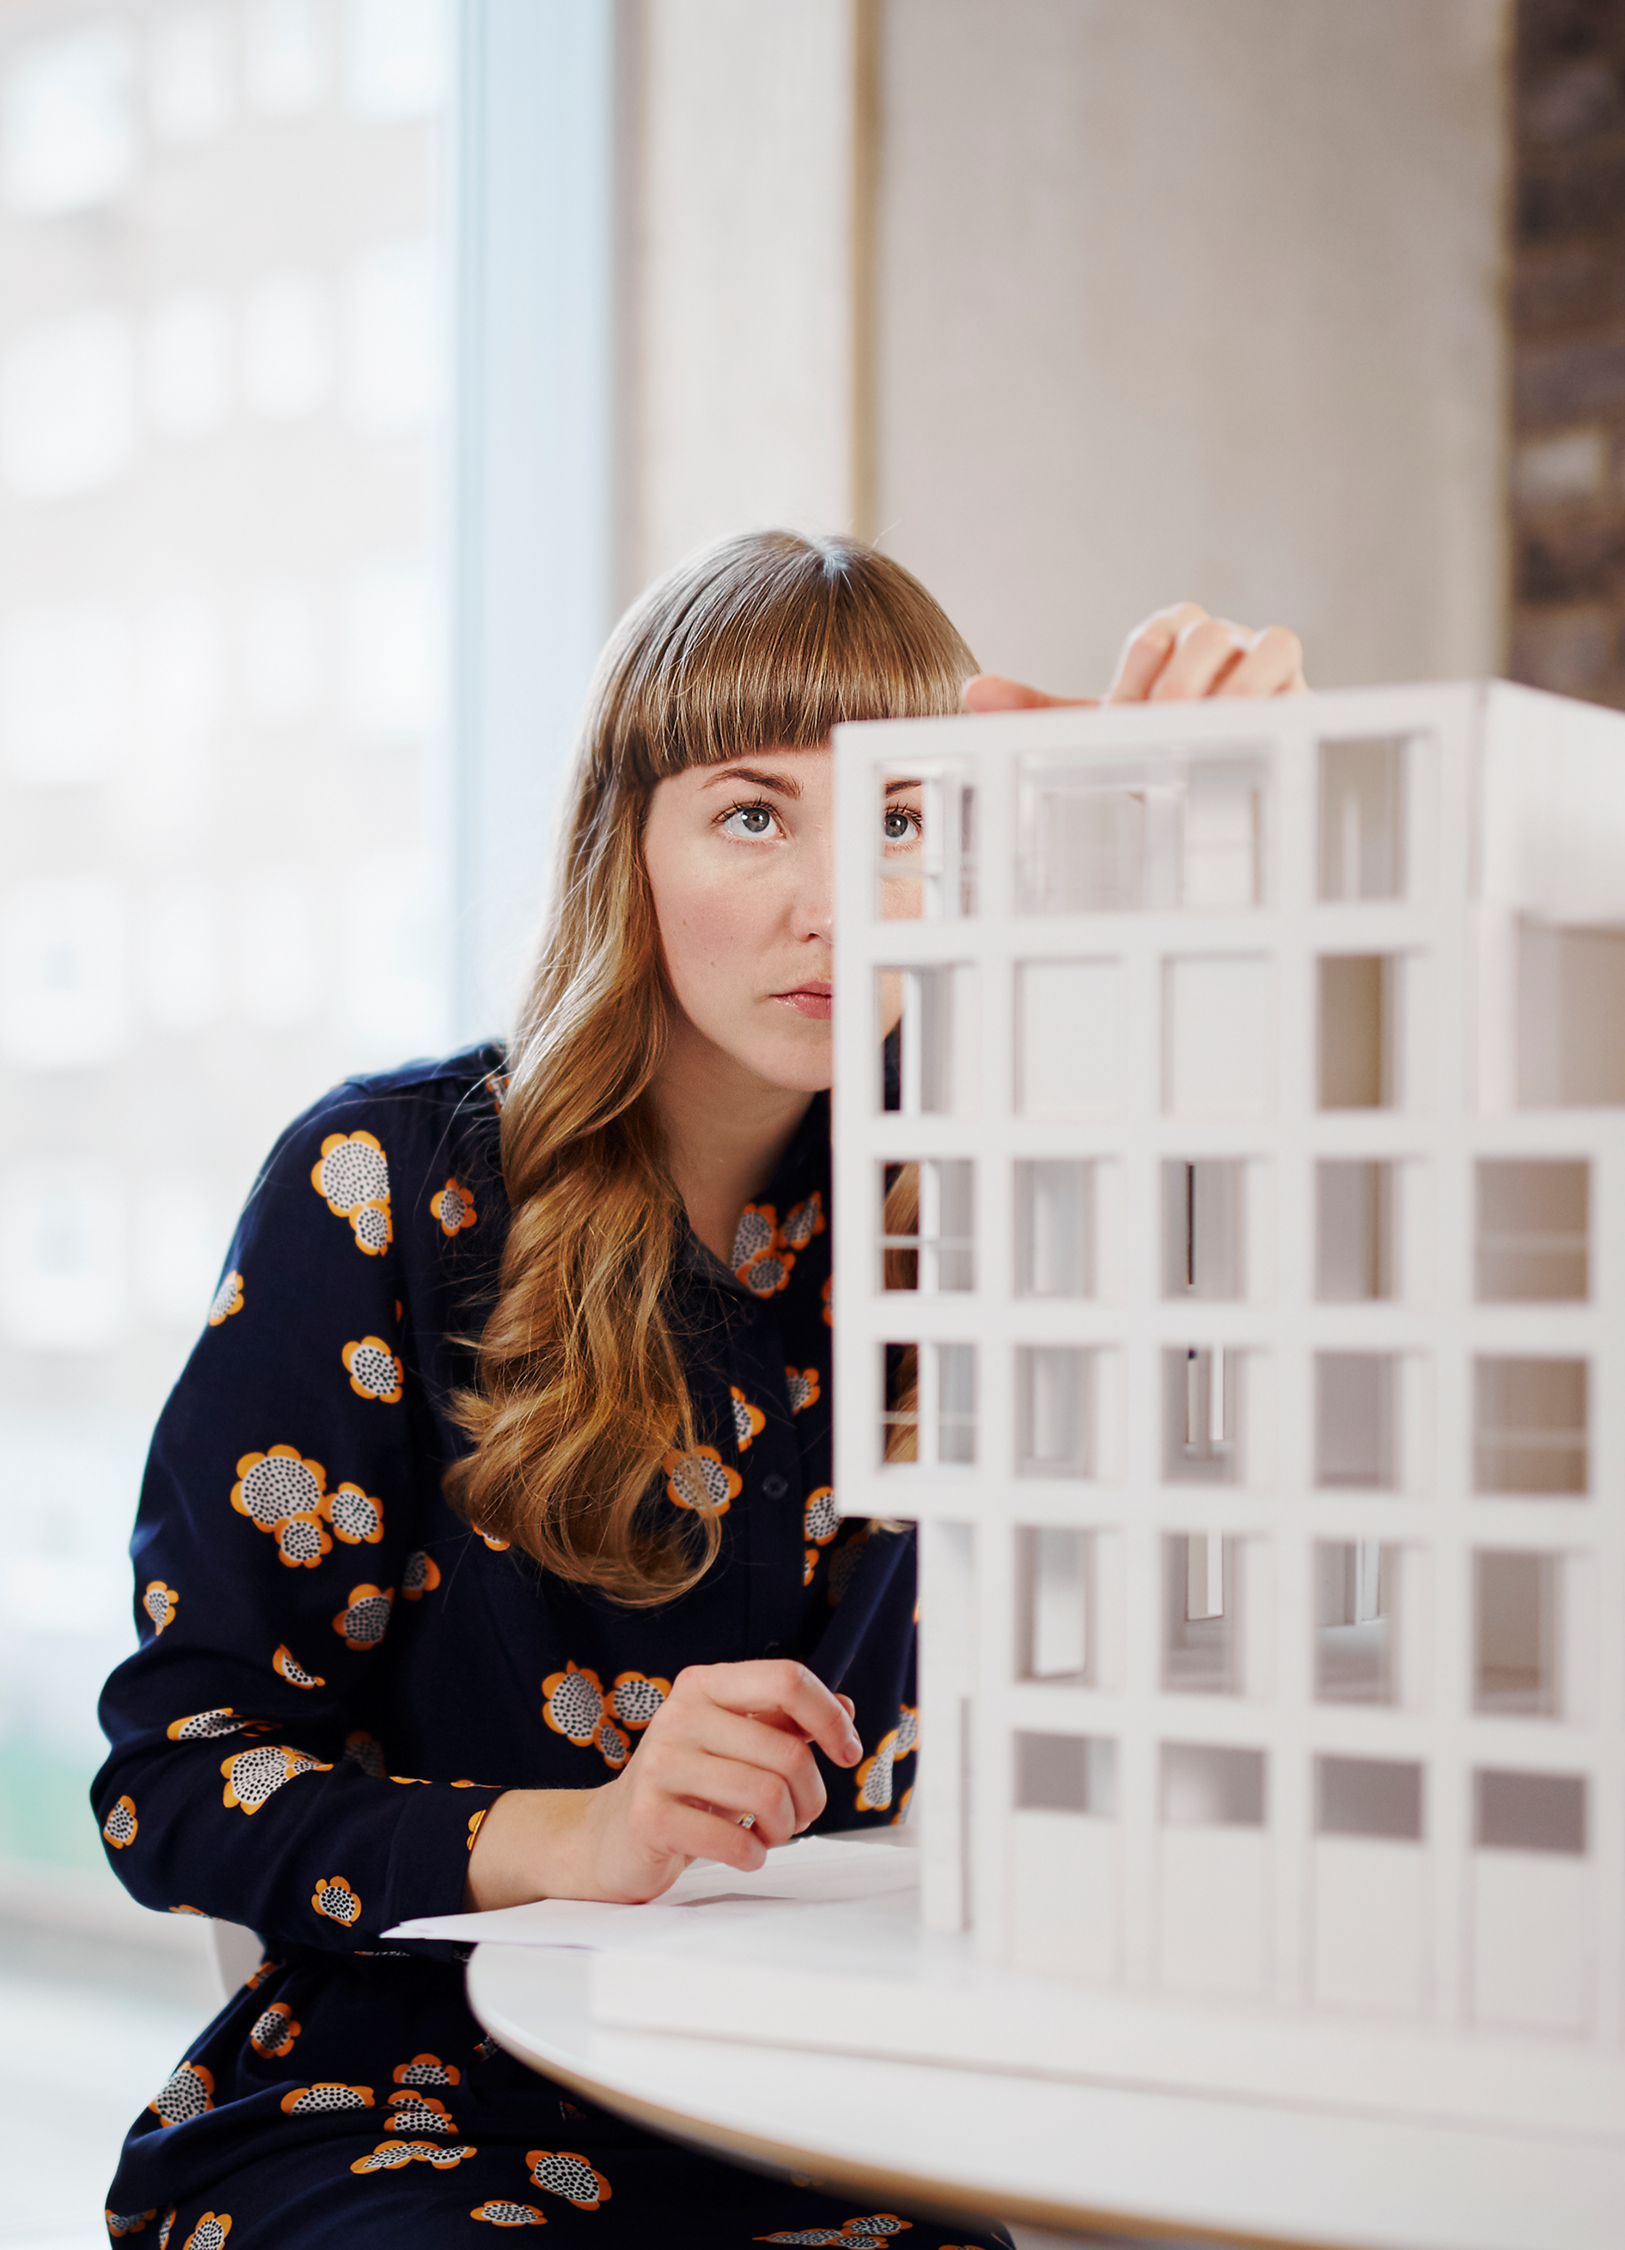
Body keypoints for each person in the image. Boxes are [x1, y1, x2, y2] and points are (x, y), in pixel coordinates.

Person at [94, 530, 1306, 2248]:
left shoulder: (978, 1211)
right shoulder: (380, 1193)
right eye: (755, 813)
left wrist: (1232, 860)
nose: (839, 899)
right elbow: (176, 1769)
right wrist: (579, 1831)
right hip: (401, 2102)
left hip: (829, 2099)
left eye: (899, 820)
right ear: (627, 852)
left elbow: (1241, 1471)